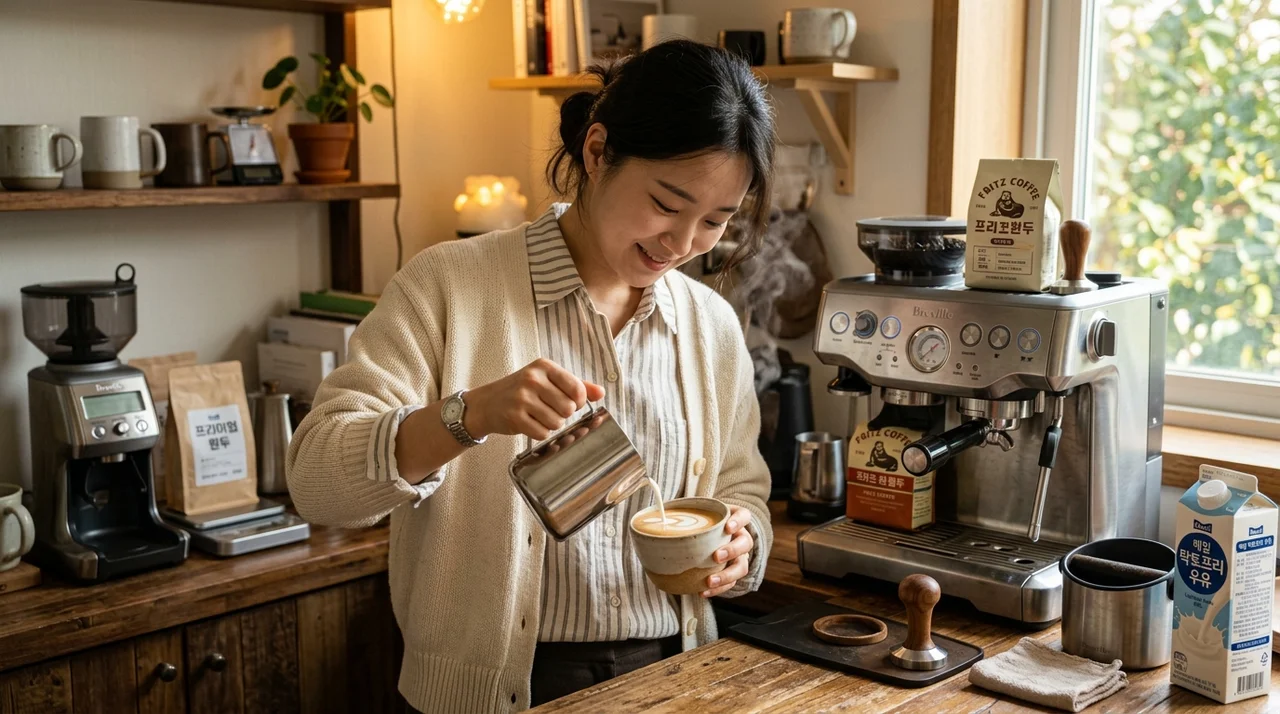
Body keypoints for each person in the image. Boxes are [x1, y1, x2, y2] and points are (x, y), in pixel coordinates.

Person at [287, 40, 777, 713]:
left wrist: (742, 540)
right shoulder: (448, 287)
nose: (682, 243)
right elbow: (316, 483)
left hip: (672, 678)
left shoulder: (711, 325)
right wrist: (469, 417)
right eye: (667, 203)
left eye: (714, 222)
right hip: (495, 691)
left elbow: (738, 486)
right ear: (598, 151)